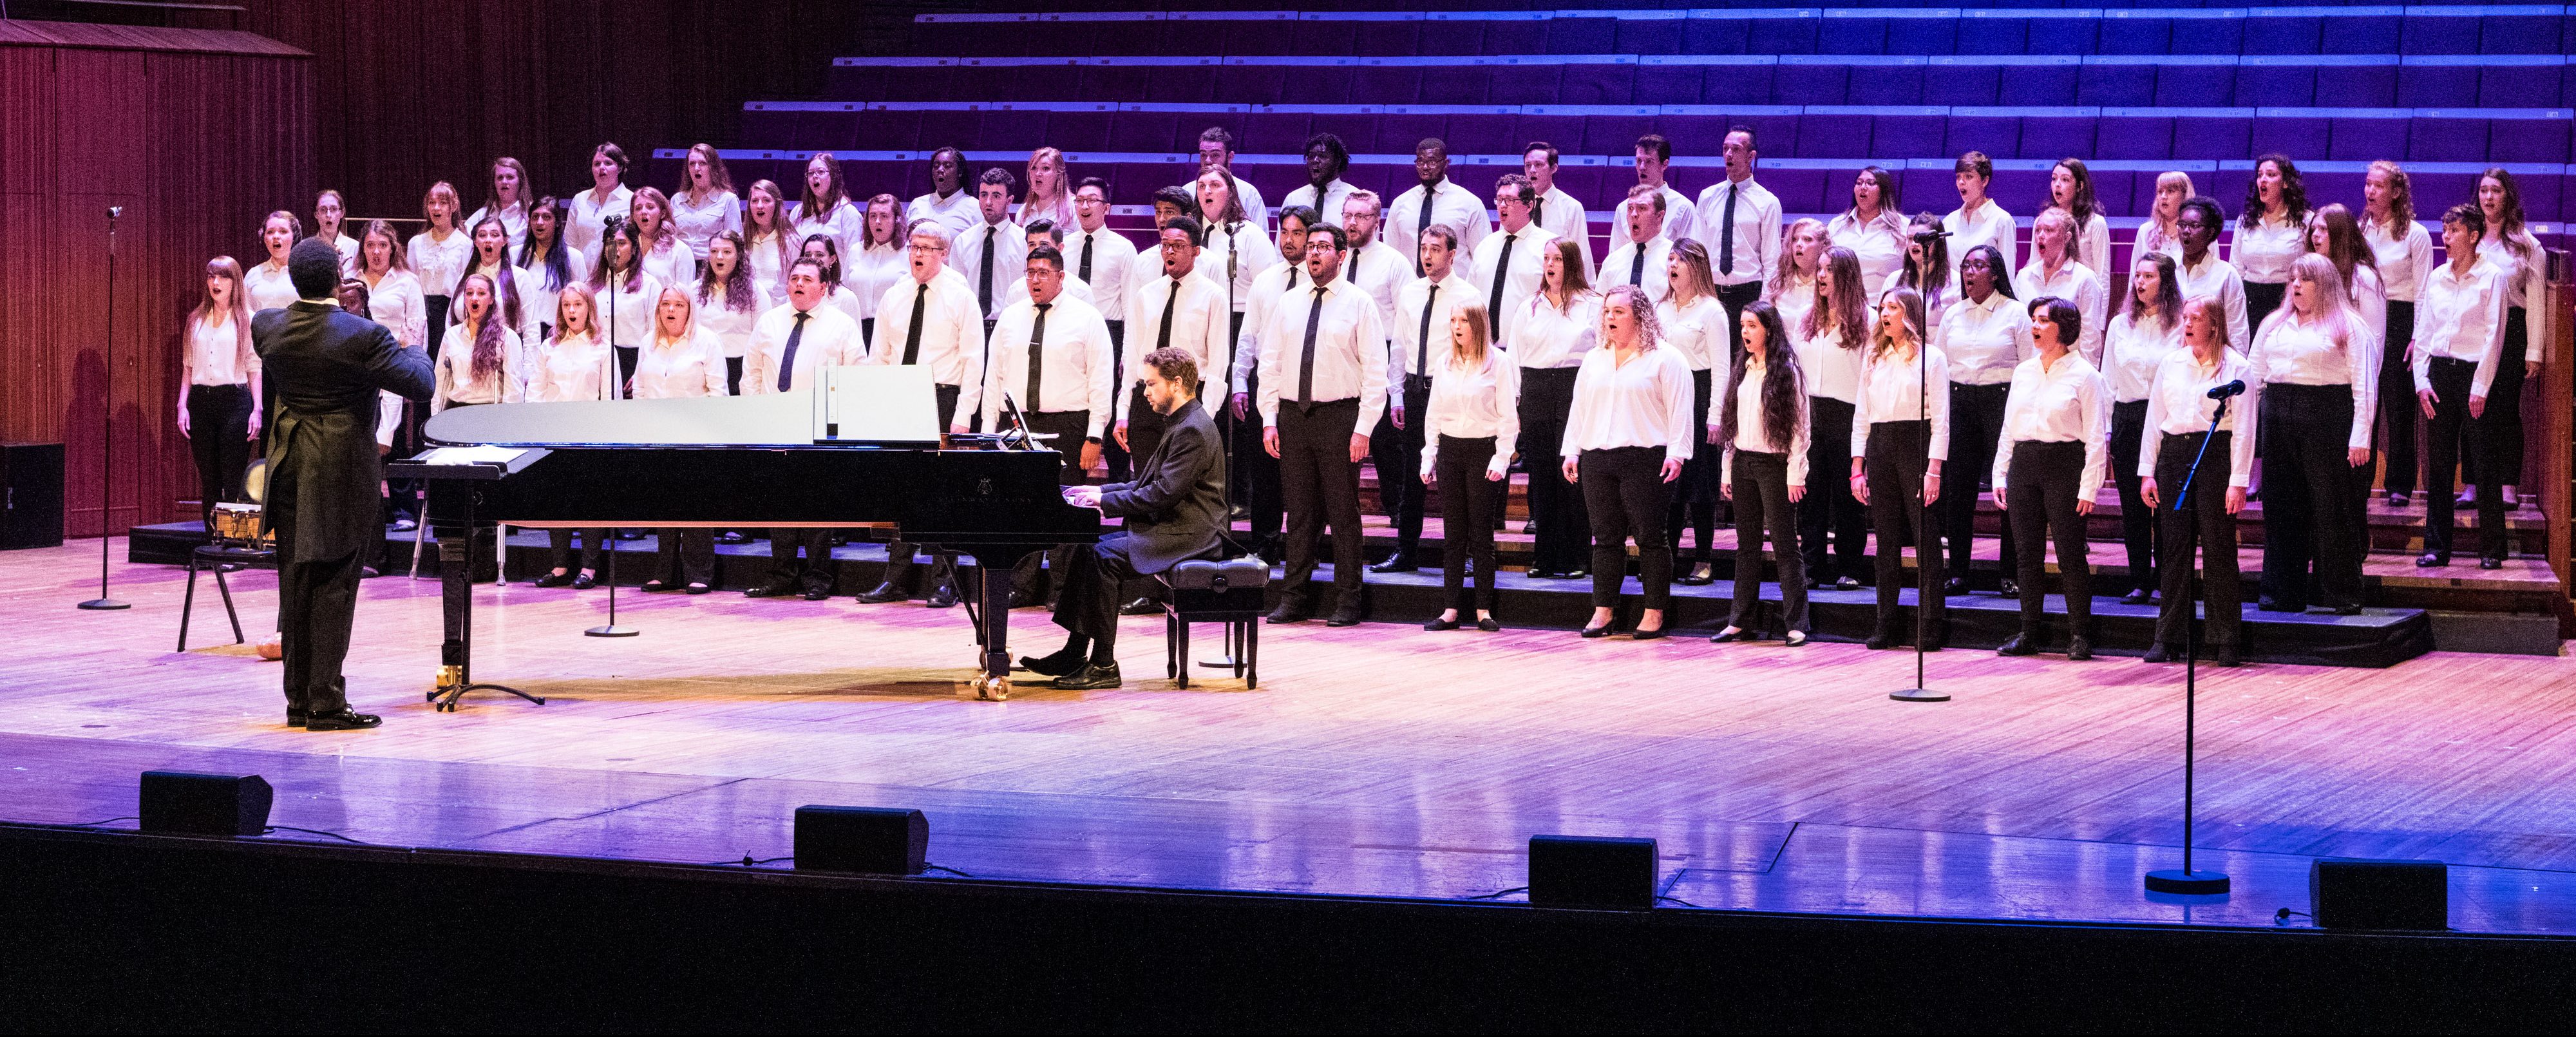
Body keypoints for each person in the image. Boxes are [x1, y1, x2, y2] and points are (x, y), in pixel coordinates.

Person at [255, 238, 435, 730]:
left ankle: (298, 702)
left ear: (294, 278)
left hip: (290, 466)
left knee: (295, 583)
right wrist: (411, 345)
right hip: (339, 471)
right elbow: (420, 383)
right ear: (338, 277)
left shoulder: (267, 327)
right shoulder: (364, 336)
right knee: (334, 583)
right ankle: (326, 704)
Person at [1023, 347, 1229, 691]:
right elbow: (1147, 484)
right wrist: (1094, 492)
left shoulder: (1193, 429)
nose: (1145, 392)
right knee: (1089, 548)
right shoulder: (1182, 422)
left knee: (1104, 558)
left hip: (1192, 533)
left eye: (1151, 384)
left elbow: (1162, 494)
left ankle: (1104, 664)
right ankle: (1075, 652)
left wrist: (1105, 500)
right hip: (1178, 525)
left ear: (1176, 384)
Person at [1258, 224, 1387, 627]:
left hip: (1340, 417)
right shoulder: (1289, 302)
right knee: (1297, 512)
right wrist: (1269, 420)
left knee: (1342, 512)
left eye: (1323, 247)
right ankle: (1293, 596)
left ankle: (1349, 599)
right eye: (1310, 246)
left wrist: (1364, 428)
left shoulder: (1360, 304)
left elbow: (1376, 371)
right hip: (1294, 416)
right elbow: (1271, 363)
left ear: (1341, 255)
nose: (1314, 253)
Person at [857, 221, 987, 609]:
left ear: (943, 254)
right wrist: (875, 405)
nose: (917, 254)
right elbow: (878, 355)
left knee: (943, 492)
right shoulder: (895, 294)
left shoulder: (960, 296)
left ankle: (944, 581)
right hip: (899, 396)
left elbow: (972, 359)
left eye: (927, 248)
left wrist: (963, 414)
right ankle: (894, 578)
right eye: (914, 246)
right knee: (902, 488)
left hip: (942, 397)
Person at [982, 246, 1116, 608]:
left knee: (1064, 508)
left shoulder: (1087, 318)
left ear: (1060, 276)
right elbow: (993, 376)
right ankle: (1020, 587)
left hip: (1069, 423)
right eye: (1030, 272)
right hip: (1018, 424)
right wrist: (988, 428)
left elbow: (1101, 380)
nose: (1035, 279)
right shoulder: (1010, 318)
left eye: (1043, 272)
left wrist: (1094, 435)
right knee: (1020, 507)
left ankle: (1063, 592)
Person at [1564, 284, 1694, 641]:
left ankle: (1654, 611)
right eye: (1607, 312)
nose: (1610, 318)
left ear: (1640, 316)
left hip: (1646, 457)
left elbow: (1681, 410)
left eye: (1619, 312)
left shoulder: (1666, 358)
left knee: (1651, 537)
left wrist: (1677, 454)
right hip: (1598, 456)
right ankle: (1603, 610)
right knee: (1605, 538)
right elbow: (1580, 407)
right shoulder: (1595, 358)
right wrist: (1572, 450)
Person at [2252, 252, 2378, 615]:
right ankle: (2282, 592)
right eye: (2292, 279)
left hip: (2327, 416)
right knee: (2281, 505)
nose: (2295, 286)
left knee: (2331, 507)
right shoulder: (2274, 324)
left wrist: (2360, 436)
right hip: (2278, 416)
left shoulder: (2349, 326)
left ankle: (2340, 592)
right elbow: (2255, 377)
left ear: (2324, 285)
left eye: (2304, 280)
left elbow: (2364, 386)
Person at [1991, 296, 2110, 660]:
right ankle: (2029, 631)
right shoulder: (2024, 372)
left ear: (2064, 327)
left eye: (2043, 320)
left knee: (2070, 554)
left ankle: (2080, 634)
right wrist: (2001, 471)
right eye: (2034, 320)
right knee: (2026, 555)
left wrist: (2090, 485)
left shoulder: (2086, 376)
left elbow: (2095, 437)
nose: (2035, 326)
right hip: (2025, 464)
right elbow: (2009, 427)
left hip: (2065, 464)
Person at [743, 258, 867, 601]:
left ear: (823, 287)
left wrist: (839, 422)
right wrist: (756, 416)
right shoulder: (769, 322)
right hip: (774, 424)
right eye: (794, 278)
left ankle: (817, 578)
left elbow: (855, 376)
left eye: (807, 279)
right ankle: (781, 575)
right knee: (779, 503)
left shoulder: (841, 325)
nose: (798, 284)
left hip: (818, 425)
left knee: (815, 503)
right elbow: (751, 373)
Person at [2139, 298, 2254, 666]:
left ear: (2215, 324)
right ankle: (2168, 635)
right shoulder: (2170, 364)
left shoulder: (2237, 368)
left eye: (2195, 318)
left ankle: (2226, 638)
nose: (2186, 324)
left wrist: (2238, 481)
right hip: (2174, 456)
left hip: (2215, 454)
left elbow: (2245, 431)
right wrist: (2147, 472)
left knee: (2219, 548)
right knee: (2173, 548)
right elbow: (2154, 419)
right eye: (2185, 318)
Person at [2412, 204, 2510, 569]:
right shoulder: (2437, 277)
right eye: (2445, 229)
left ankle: (2491, 548)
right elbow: (2424, 332)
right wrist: (2421, 382)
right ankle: (2437, 547)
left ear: (2473, 236)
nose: (2446, 237)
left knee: (2484, 464)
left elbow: (2494, 335)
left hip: (2474, 376)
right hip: (2440, 375)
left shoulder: (2492, 276)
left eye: (2454, 231)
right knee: (2439, 467)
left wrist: (2481, 387)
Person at [1852, 288, 1949, 651]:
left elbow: (1941, 420)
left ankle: (1930, 624)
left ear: (1909, 313)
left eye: (1892, 308)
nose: (1884, 314)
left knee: (1924, 537)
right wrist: (1857, 466)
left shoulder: (1931, 358)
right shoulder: (1873, 357)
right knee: (1886, 541)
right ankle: (1886, 622)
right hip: (1881, 443)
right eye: (1881, 308)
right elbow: (1862, 414)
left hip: (1916, 444)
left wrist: (1934, 469)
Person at [1712, 300, 1810, 647]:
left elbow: (1800, 426)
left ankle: (1797, 622)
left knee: (1785, 546)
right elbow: (1731, 423)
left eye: (1752, 325)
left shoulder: (1787, 372)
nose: (1745, 332)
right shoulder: (1744, 369)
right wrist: (1727, 468)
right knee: (1747, 546)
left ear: (1769, 329)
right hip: (1743, 463)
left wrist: (1795, 471)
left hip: (1774, 465)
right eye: (1742, 326)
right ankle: (1740, 620)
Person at [1937, 243, 2029, 595]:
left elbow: (2028, 366)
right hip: (1960, 402)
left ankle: (2010, 573)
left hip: (2002, 402)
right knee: (1958, 491)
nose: (1970, 272)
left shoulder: (2015, 313)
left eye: (1978, 266)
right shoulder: (1953, 315)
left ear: (1995, 274)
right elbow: (1941, 367)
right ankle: (1958, 571)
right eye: (1965, 266)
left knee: (2006, 488)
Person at [1419, 303, 1515, 633]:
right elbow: (1434, 414)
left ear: (1478, 324)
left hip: (1483, 450)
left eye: (1464, 321)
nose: (1457, 326)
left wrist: (1502, 457)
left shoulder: (1499, 364)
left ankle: (1483, 610)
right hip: (1451, 450)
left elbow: (1508, 417)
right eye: (1453, 320)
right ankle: (1450, 610)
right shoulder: (1445, 363)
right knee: (1453, 534)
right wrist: (1429, 456)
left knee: (1480, 533)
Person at [1229, 203, 1317, 558]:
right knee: (1263, 472)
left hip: (1305, 387)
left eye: (1298, 233)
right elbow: (1248, 336)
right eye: (1285, 232)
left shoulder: (1321, 282)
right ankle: (1264, 544)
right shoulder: (1266, 280)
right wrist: (1238, 382)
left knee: (1301, 475)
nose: (1290, 240)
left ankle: (1302, 548)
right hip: (1264, 385)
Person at [1515, 238, 1600, 581]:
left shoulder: (1592, 304)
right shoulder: (1529, 306)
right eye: (1546, 258)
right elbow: (1517, 357)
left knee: (1572, 474)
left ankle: (1577, 555)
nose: (1550, 265)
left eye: (1558, 259)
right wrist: (1517, 403)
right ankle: (1544, 555)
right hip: (1535, 389)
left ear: (1573, 264)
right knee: (1542, 475)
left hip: (1573, 386)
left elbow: (1600, 352)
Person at [631, 287, 726, 593]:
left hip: (696, 436)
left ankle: (699, 572)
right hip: (657, 436)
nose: (671, 310)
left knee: (696, 504)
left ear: (690, 309)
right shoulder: (649, 342)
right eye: (665, 304)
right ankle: (665, 571)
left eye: (679, 305)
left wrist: (709, 434)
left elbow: (718, 393)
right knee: (665, 503)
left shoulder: (707, 342)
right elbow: (640, 390)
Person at [2103, 251, 2185, 604]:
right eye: (2137, 276)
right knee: (2132, 504)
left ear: (2165, 282)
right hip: (2129, 418)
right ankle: (2139, 578)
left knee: (2166, 503)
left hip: (2167, 420)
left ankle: (2168, 579)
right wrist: (2107, 429)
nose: (2139, 282)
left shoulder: (2182, 324)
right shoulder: (2122, 326)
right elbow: (2108, 380)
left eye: (2149, 277)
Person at [522, 283, 616, 590]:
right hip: (554, 433)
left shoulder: (603, 348)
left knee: (589, 502)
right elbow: (535, 391)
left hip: (590, 435)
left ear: (589, 308)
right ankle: (560, 565)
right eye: (566, 306)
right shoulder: (549, 347)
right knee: (557, 500)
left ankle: (589, 567)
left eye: (578, 305)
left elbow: (610, 398)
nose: (572, 311)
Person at [2466, 167, 2548, 512]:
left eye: (2495, 191)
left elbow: (2537, 302)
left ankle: (2507, 485)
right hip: (2475, 330)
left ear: (2507, 196)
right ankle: (2471, 484)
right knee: (2473, 406)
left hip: (2513, 330)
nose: (2488, 197)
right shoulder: (2469, 238)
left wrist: (2535, 350)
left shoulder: (2527, 245)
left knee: (2504, 410)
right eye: (2483, 190)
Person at [1795, 246, 1873, 593]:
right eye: (1821, 269)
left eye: (1829, 270)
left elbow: (1870, 378)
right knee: (1811, 496)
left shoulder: (1868, 320)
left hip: (1849, 414)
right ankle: (1811, 565)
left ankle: (1850, 566)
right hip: (1811, 413)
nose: (1821, 276)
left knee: (1846, 497)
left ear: (1847, 276)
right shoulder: (1806, 317)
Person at [2361, 160, 2430, 508]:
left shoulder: (2414, 234)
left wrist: (2418, 337)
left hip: (2402, 319)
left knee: (2400, 406)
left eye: (2379, 186)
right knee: (2365, 399)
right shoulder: (2359, 230)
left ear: (2397, 192)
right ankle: (2361, 476)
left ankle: (2400, 483)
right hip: (2366, 317)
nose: (2370, 191)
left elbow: (2423, 291)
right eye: (2368, 184)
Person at [1658, 240, 1727, 585]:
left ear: (1695, 267)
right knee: (1668, 483)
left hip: (1699, 399)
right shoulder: (1661, 308)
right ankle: (1665, 559)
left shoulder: (1712, 311)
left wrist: (1717, 415)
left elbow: (1722, 368)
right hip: (1667, 398)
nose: (1672, 266)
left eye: (1679, 261)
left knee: (1701, 485)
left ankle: (1703, 559)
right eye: (1670, 259)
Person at [178, 256, 263, 531]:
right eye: (211, 276)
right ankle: (213, 542)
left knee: (233, 477)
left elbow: (254, 366)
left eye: (223, 277)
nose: (216, 283)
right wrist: (182, 405)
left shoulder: (247, 319)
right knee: (210, 480)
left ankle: (234, 543)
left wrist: (257, 408)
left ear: (234, 282)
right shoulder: (196, 319)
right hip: (201, 401)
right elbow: (188, 366)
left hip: (235, 401)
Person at [1698, 124, 1780, 354]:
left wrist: (1764, 305)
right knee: (1710, 362)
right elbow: (1698, 253)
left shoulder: (1767, 202)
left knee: (1743, 363)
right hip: (1712, 292)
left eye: (1736, 149)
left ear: (1751, 156)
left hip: (1748, 293)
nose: (1729, 155)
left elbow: (1772, 259)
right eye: (1725, 149)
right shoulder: (1707, 197)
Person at [1471, 173, 1557, 347]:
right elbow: (1472, 296)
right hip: (1485, 348)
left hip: (1530, 348)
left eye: (1510, 200)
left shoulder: (1549, 247)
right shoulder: (1485, 246)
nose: (1502, 205)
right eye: (1499, 199)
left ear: (1529, 206)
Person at [1386, 138, 1492, 279]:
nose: (1425, 167)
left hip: (1455, 292)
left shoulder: (1470, 203)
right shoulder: (1400, 204)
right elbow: (1391, 255)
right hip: (1411, 291)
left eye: (1432, 162)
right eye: (1420, 162)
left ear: (1446, 164)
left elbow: (1483, 258)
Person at [2015, 209, 2107, 366]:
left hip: (2067, 373)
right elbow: (2017, 329)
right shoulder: (2025, 277)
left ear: (2066, 238)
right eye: (2038, 230)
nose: (2041, 235)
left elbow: (2090, 340)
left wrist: (2084, 381)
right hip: (2031, 372)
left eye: (2049, 230)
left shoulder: (2084, 278)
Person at [2236, 155, 2309, 331]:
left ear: (2285, 183)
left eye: (2270, 175)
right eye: (2260, 175)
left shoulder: (2305, 220)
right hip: (2250, 299)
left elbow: (2312, 268)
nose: (2263, 180)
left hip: (2288, 298)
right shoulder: (2244, 221)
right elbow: (2237, 268)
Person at [589, 221, 663, 391]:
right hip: (597, 361)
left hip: (632, 362)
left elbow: (656, 333)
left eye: (622, 243)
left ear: (634, 248)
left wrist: (642, 371)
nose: (615, 249)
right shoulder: (592, 284)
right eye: (610, 243)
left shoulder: (650, 285)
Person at [696, 231, 771, 396]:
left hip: (741, 369)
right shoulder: (695, 290)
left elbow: (764, 338)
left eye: (727, 252)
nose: (719, 257)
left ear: (738, 256)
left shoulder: (756, 291)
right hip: (703, 370)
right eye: (714, 251)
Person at [2173, 195, 2251, 354]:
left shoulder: (2226, 275)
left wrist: (2234, 373)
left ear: (2210, 233)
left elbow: (2238, 332)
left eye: (2194, 226)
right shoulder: (2169, 270)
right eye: (2182, 225)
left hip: (2212, 365)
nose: (2186, 231)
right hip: (2172, 364)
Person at [1826, 166, 1905, 300]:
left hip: (1883, 306)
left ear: (1884, 191)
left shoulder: (1902, 227)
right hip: (1842, 303)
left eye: (1870, 183)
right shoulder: (1837, 225)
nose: (1863, 187)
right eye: (1859, 183)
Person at [517, 198, 589, 345]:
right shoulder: (515, 255)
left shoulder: (573, 258)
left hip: (557, 336)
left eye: (547, 217)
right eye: (535, 217)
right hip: (521, 335)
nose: (540, 222)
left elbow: (583, 303)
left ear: (557, 223)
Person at [1522, 142, 1596, 280]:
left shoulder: (1571, 207)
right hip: (1522, 285)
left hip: (1558, 286)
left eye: (1538, 165)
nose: (1532, 170)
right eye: (1528, 165)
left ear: (1554, 168)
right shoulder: (1517, 205)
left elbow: (1582, 257)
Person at [840, 195, 905, 347]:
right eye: (873, 216)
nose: (877, 221)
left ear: (897, 220)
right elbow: (846, 292)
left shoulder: (907, 253)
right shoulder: (856, 251)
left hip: (893, 332)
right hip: (857, 331)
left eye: (884, 216)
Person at [1943, 151, 2016, 281]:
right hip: (1953, 300)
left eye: (1968, 177)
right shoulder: (1949, 221)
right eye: (1958, 176)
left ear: (1984, 181)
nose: (1961, 182)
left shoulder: (2002, 220)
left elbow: (2007, 273)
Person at [670, 143, 742, 268]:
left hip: (711, 266)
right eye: (692, 164)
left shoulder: (727, 200)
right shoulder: (677, 200)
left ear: (713, 167)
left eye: (703, 163)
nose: (696, 168)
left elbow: (734, 243)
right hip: (680, 264)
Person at [1600, 185, 1674, 303]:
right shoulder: (1612, 261)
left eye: (1642, 208)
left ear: (1660, 215)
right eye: (1630, 208)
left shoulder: (1675, 260)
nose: (1634, 214)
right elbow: (1600, 308)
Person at [1187, 127, 1269, 232]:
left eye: (1215, 155)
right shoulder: (1187, 191)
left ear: (1230, 157)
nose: (1208, 161)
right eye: (1203, 155)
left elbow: (1260, 238)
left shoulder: (1249, 193)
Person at [1622, 134, 1697, 244]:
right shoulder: (1623, 208)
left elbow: (1688, 257)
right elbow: (1616, 256)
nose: (1642, 167)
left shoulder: (1683, 208)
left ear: (1664, 165)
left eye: (1649, 161)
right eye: (1639, 161)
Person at [1279, 132, 1355, 238]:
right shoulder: (1294, 198)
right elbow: (1281, 246)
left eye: (1322, 156)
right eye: (1311, 156)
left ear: (1337, 161)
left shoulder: (1354, 199)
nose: (1315, 161)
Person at [791, 152, 863, 262]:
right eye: (811, 173)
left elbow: (853, 260)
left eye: (821, 172)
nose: (815, 176)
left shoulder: (848, 213)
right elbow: (792, 255)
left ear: (833, 176)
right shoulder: (797, 212)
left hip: (834, 279)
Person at [2047, 158, 2112, 276]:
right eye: (2054, 179)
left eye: (2065, 180)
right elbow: (2035, 263)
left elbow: (2103, 274)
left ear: (2080, 186)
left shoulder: (2095, 223)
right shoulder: (2044, 222)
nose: (2057, 184)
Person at [567, 142, 634, 258]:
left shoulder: (632, 200)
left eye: (608, 163)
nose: (602, 168)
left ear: (620, 168)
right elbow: (570, 244)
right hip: (583, 274)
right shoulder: (580, 199)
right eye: (597, 164)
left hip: (616, 273)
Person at [628, 187, 697, 298]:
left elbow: (685, 297)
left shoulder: (680, 251)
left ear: (663, 214)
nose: (644, 212)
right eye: (638, 208)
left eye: (650, 207)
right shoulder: (628, 249)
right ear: (633, 216)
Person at [742, 178, 799, 296]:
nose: (760, 206)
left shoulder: (792, 241)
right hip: (747, 310)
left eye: (766, 200)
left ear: (777, 205)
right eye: (755, 201)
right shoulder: (741, 240)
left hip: (778, 308)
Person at [1893, 211, 1954, 322]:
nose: (1914, 244)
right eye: (1911, 238)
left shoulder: (1955, 283)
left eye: (1920, 239)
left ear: (1937, 242)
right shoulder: (1894, 280)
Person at [907, 146, 977, 240]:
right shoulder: (918, 204)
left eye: (947, 166)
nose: (940, 170)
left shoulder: (975, 208)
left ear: (960, 172)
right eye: (936, 166)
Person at [2132, 171, 2194, 273]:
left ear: (2185, 197)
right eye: (2160, 191)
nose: (2163, 197)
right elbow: (2135, 277)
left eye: (2170, 191)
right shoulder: (2145, 231)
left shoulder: (2200, 233)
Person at [463, 157, 533, 246]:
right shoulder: (483, 214)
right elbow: (464, 242)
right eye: (500, 178)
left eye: (510, 177)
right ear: (494, 183)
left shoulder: (532, 213)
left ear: (520, 181)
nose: (504, 182)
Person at [243, 213, 301, 314]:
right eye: (270, 232)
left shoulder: (304, 273)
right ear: (264, 238)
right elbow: (245, 315)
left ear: (294, 236)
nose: (276, 236)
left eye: (283, 231)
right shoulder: (253, 274)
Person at [1019, 146, 1077, 233]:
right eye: (1034, 168)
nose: (1038, 174)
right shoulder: (1023, 212)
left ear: (1059, 174)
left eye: (1045, 168)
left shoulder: (1074, 208)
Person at [312, 190, 359, 274]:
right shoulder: (306, 248)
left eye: (334, 209)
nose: (328, 215)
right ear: (316, 214)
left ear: (342, 213)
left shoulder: (355, 248)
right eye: (323, 210)